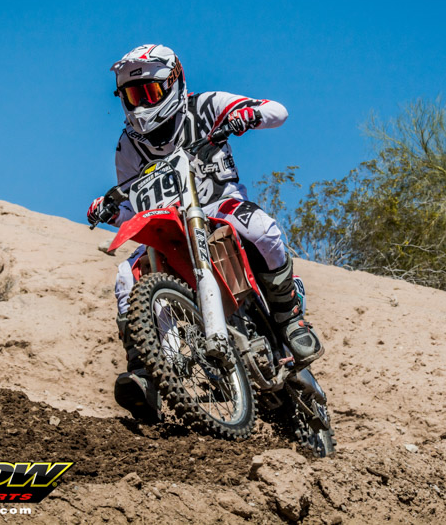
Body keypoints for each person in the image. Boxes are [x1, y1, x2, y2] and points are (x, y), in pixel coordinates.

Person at [86, 43, 323, 420]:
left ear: (173, 82)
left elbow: (277, 111)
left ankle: (289, 318)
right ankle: (147, 373)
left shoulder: (205, 106)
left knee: (262, 229)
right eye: (132, 95)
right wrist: (112, 209)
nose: (141, 104)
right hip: (170, 224)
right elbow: (135, 208)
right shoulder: (128, 146)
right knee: (126, 278)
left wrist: (247, 115)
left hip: (218, 205)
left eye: (149, 92)